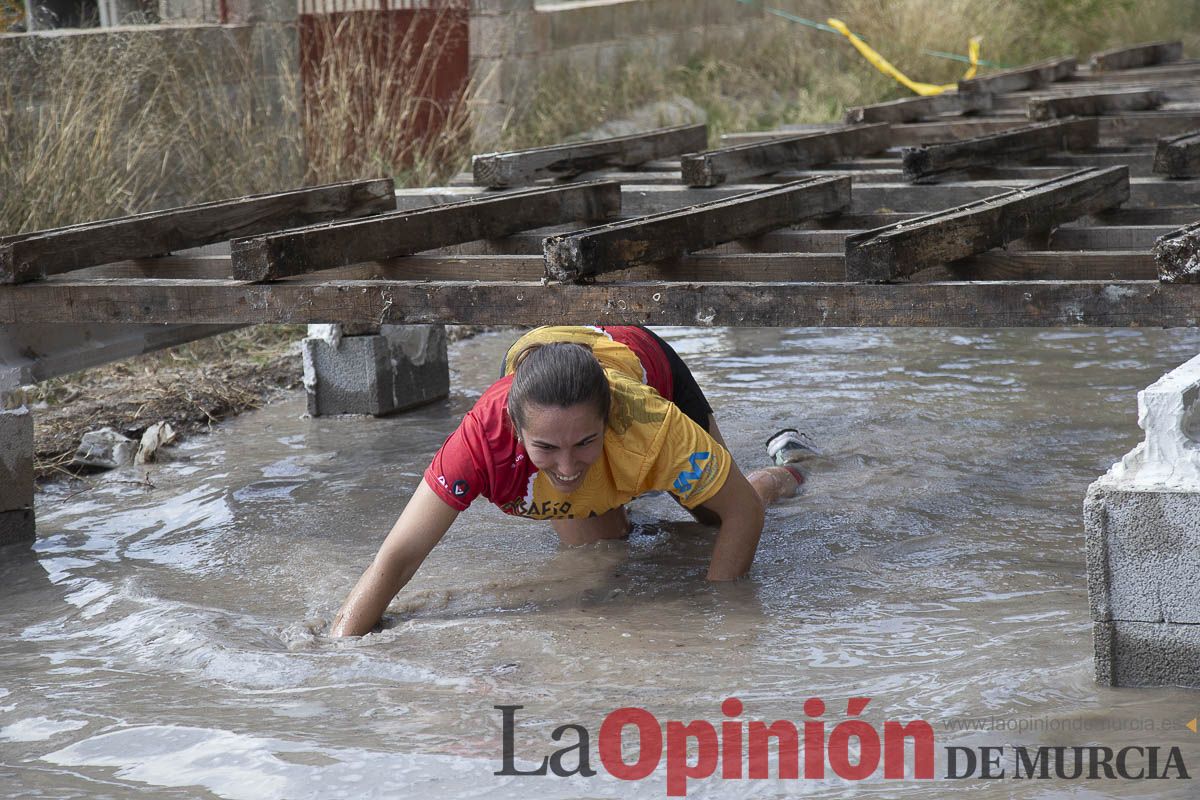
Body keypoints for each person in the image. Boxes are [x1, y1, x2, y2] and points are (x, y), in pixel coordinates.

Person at [331, 326, 812, 637]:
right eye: (545, 448)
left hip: (646, 362)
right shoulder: (480, 440)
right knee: (599, 551)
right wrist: (340, 648)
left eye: (585, 442)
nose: (565, 467)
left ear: (610, 423)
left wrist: (718, 611)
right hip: (546, 375)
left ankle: (787, 467)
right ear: (517, 432)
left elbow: (742, 514)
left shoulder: (652, 425)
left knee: (715, 522)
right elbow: (398, 555)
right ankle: (608, 489)